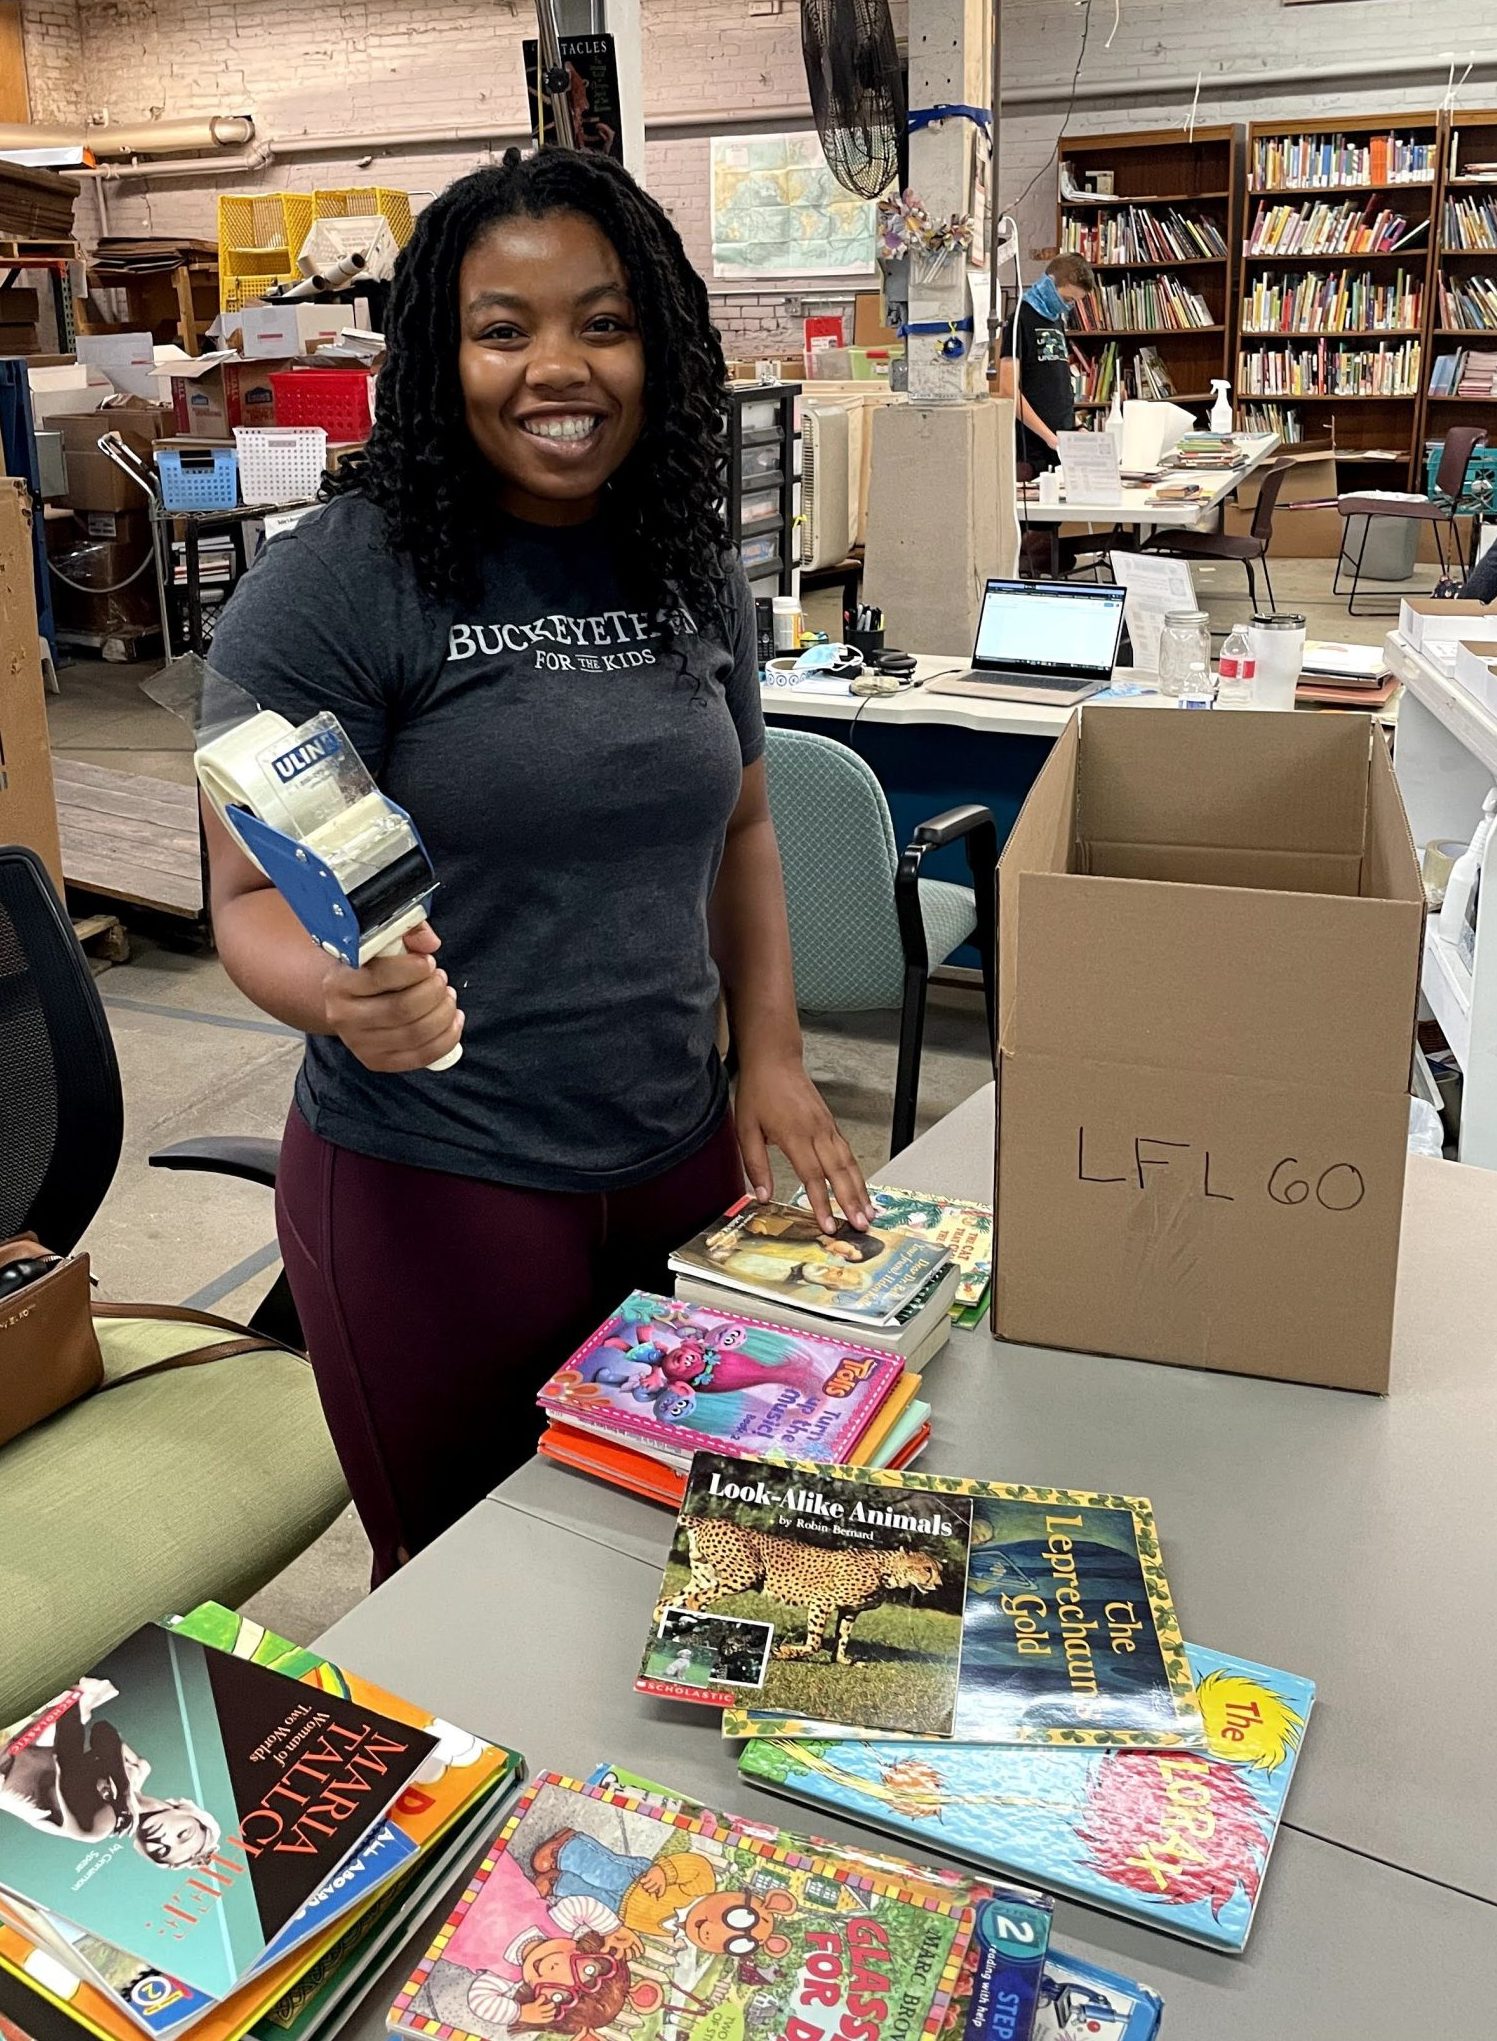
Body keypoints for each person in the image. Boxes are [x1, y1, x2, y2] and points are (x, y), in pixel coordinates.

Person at [204, 147, 873, 1585]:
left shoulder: (684, 565)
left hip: (677, 1150)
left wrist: (770, 1052)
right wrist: (338, 996)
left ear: (660, 349)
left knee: (692, 1563)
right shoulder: (337, 585)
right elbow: (250, 898)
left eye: (604, 322)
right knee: (473, 1585)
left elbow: (743, 825)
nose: (557, 369)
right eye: (504, 330)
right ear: (441, 357)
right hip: (439, 1181)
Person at [997, 251, 1097, 472]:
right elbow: (1008, 391)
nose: (1068, 307)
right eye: (1067, 299)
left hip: (1060, 443)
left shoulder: (1055, 320)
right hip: (1032, 449)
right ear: (1051, 284)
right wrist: (1048, 437)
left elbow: (1056, 384)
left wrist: (1075, 426)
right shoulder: (1021, 319)